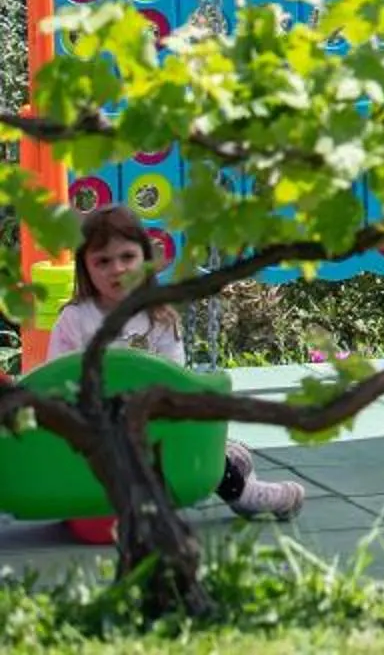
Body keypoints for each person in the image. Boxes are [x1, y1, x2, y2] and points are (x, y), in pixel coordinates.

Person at [49, 206, 304, 520]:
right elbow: (57, 380)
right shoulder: (74, 320)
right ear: (85, 268)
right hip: (95, 428)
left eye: (127, 257)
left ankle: (241, 490)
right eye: (102, 261)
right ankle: (229, 465)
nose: (116, 269)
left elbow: (173, 377)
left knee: (196, 417)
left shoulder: (159, 318)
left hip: (152, 422)